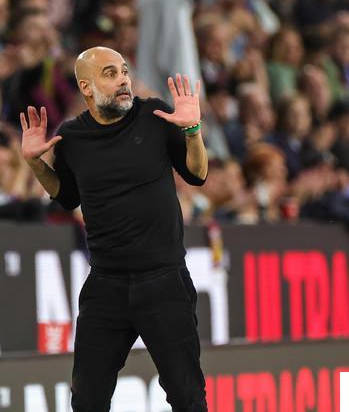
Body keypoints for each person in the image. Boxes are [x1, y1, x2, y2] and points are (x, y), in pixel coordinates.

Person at [20, 46, 208, 410]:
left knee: (187, 397)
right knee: (87, 400)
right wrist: (35, 164)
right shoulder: (72, 138)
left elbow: (197, 174)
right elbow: (67, 196)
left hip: (164, 281)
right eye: (110, 73)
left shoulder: (154, 116)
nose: (123, 80)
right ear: (86, 88)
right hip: (106, 286)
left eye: (124, 71)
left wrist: (192, 130)